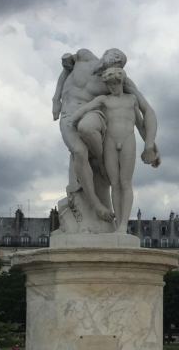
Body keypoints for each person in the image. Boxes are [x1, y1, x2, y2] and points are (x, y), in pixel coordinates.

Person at [52, 48, 160, 222]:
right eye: (116, 56)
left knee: (86, 128)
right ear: (106, 53)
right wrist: (56, 99)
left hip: (91, 113)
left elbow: (143, 113)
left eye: (120, 62)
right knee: (79, 152)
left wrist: (151, 144)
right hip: (68, 114)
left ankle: (102, 160)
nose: (116, 61)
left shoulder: (116, 79)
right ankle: (96, 205)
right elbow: (66, 70)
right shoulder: (84, 55)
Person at [68, 67, 143, 233]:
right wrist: (72, 119)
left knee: (126, 183)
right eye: (109, 84)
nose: (112, 87)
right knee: (115, 184)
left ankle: (124, 224)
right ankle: (118, 225)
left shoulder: (132, 99)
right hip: (110, 141)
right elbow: (86, 108)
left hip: (128, 140)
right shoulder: (104, 99)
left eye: (115, 83)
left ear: (121, 82)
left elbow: (140, 123)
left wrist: (150, 145)